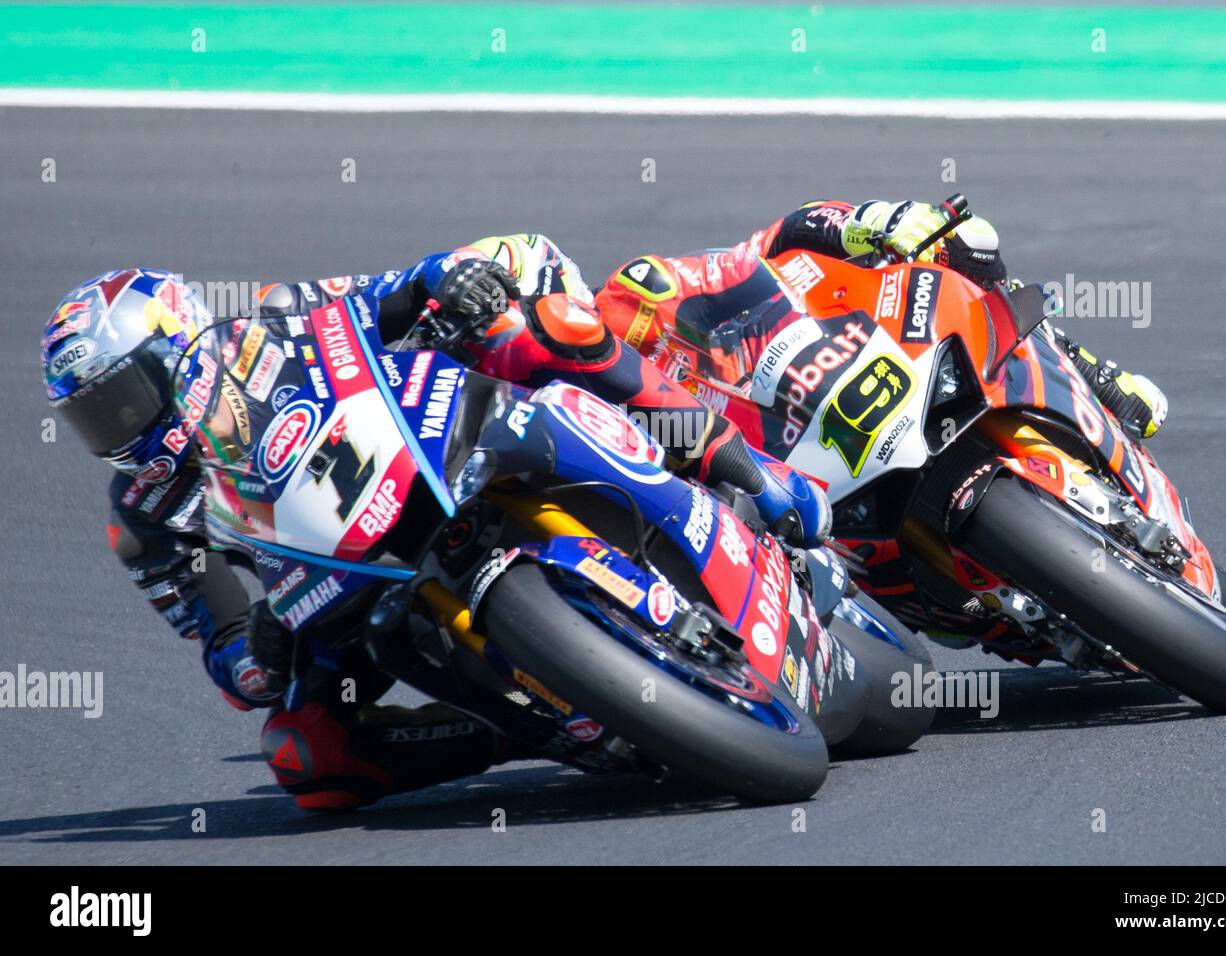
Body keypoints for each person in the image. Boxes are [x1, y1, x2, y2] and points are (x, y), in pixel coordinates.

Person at [40, 236, 829, 810]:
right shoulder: (147, 517)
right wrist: (259, 652)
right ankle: (520, 730)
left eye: (121, 400)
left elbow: (390, 289)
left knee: (549, 327)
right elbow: (223, 648)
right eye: (89, 418)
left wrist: (453, 283)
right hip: (334, 590)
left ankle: (753, 477)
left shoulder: (271, 323)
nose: (113, 430)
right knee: (303, 758)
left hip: (422, 448)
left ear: (177, 351)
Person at [595, 199, 1167, 440]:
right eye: (638, 341)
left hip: (869, 353)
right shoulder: (637, 405)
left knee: (964, 241)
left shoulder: (706, 283)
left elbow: (783, 234)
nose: (654, 339)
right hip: (798, 460)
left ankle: (1089, 376)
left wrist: (879, 223)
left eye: (650, 325)